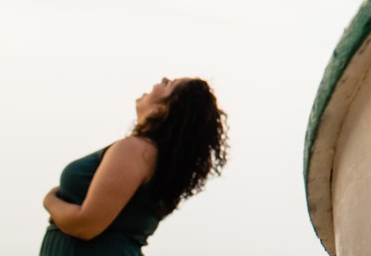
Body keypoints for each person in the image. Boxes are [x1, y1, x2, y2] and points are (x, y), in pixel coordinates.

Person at [39, 76, 229, 254]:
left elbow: (85, 225)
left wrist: (50, 200)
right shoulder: (152, 157)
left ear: (162, 110)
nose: (162, 79)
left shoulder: (137, 149)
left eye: (169, 84)